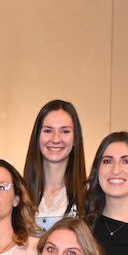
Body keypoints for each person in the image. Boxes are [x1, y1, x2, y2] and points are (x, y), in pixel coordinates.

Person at [23, 100, 87, 233]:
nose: (56, 139)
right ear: (37, 137)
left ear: (75, 138)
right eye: (48, 130)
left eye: (65, 131)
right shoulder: (18, 193)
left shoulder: (89, 194)